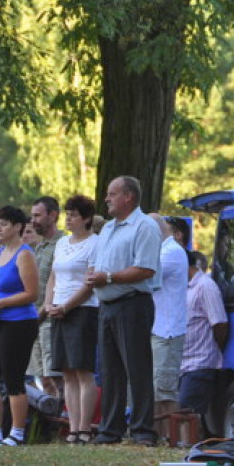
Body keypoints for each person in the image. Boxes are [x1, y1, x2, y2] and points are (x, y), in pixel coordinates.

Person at [86, 176, 161, 446]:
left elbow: (145, 268)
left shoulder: (144, 227)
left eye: (112, 193)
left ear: (128, 197)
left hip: (132, 304)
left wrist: (107, 278)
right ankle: (110, 429)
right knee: (110, 370)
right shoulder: (107, 229)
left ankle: (142, 430)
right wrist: (95, 275)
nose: (106, 199)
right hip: (107, 305)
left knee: (137, 368)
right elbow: (99, 264)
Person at [0, 206, 40, 447]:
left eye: (4, 224)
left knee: (13, 377)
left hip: (19, 322)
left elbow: (31, 293)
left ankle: (16, 433)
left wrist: (1, 303)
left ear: (17, 227)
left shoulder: (24, 255)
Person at [44, 195, 99, 444]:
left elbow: (89, 283)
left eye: (74, 214)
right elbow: (54, 277)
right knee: (67, 372)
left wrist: (66, 306)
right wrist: (48, 304)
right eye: (67, 213)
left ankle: (85, 428)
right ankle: (73, 427)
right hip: (58, 310)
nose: (69, 218)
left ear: (86, 218)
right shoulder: (62, 243)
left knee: (83, 371)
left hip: (82, 310)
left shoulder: (95, 244)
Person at [178, 250, 228, 429]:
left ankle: (190, 451)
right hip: (183, 363)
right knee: (181, 413)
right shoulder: (182, 287)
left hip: (200, 362)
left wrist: (214, 349)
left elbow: (220, 324)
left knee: (187, 413)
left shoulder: (205, 286)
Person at [149, 213, 188, 419]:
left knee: (164, 390)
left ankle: (172, 437)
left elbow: (147, 276)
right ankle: (159, 434)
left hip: (167, 331)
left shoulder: (171, 251)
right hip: (158, 328)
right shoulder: (162, 250)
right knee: (156, 388)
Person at [29, 196, 64, 396]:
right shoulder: (39, 247)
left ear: (53, 215)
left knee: (56, 376)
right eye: (32, 216)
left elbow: (58, 283)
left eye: (37, 216)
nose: (33, 220)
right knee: (42, 379)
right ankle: (49, 424)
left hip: (51, 320)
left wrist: (39, 316)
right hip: (35, 320)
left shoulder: (63, 244)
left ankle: (66, 422)